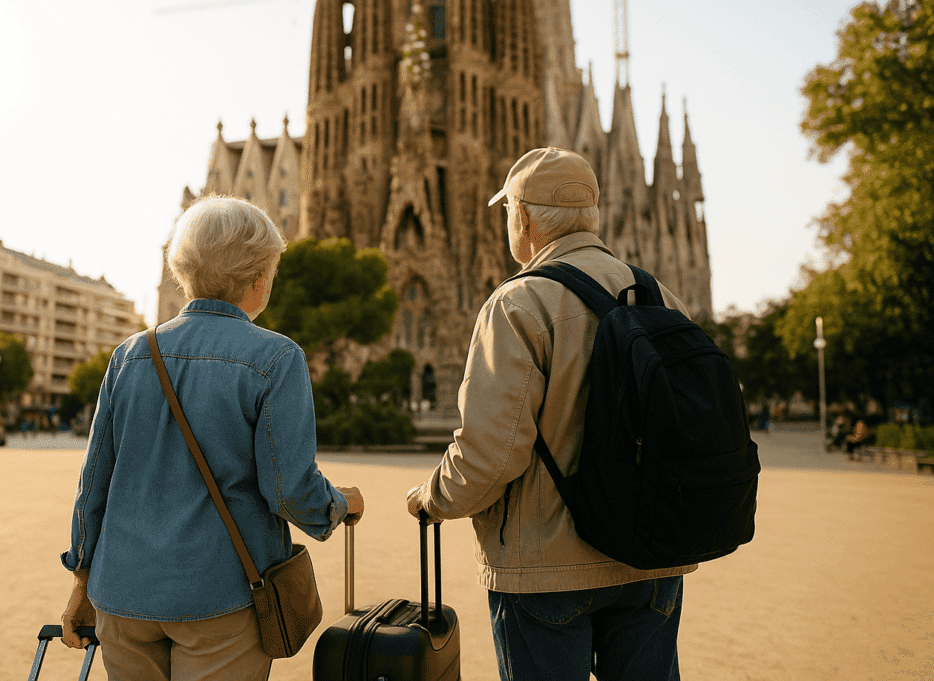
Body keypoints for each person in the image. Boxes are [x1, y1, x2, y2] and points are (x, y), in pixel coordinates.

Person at [406, 148, 694, 681]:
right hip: (652, 558)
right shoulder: (660, 297)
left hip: (546, 571)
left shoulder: (519, 305)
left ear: (525, 218)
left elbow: (491, 453)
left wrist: (434, 499)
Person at [59, 194, 365, 681]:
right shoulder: (275, 359)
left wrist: (81, 580)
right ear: (258, 278)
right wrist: (339, 505)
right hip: (221, 597)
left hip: (122, 596)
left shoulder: (129, 355)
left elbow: (93, 483)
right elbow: (289, 489)